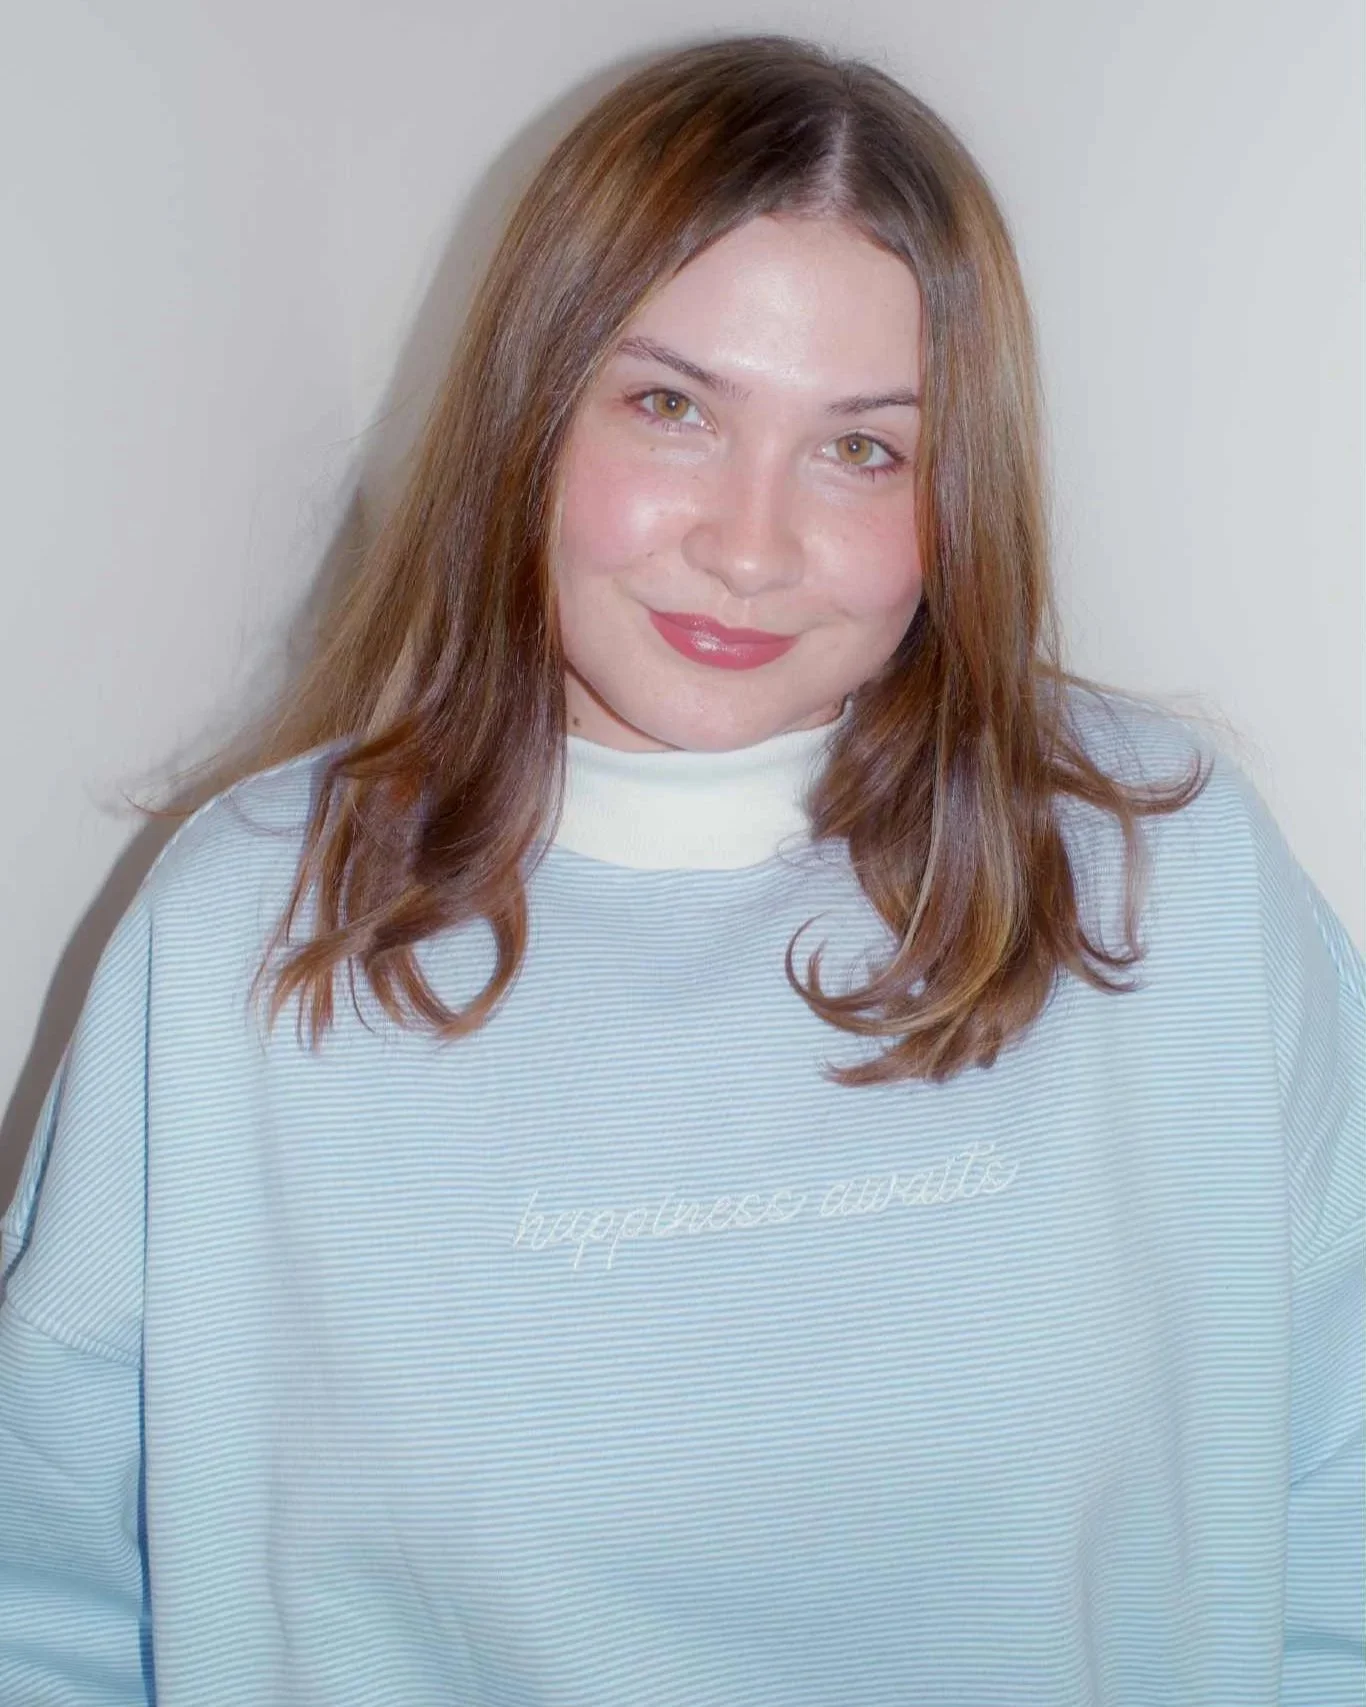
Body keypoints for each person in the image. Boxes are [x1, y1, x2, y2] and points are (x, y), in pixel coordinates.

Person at [0, 31, 1360, 1707]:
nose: (747, 543)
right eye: (670, 407)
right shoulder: (251, 927)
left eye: (862, 448)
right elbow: (49, 1598)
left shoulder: (1164, 868)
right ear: (529, 416)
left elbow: (1342, 1489)